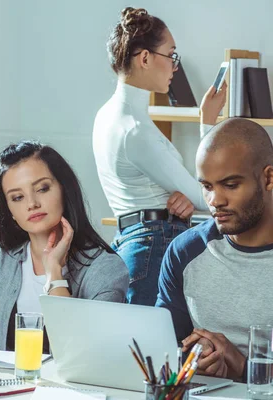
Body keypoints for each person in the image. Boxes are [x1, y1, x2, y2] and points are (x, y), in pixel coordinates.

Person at [0, 141, 129, 358]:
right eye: (17, 197)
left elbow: (82, 355)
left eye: (42, 188)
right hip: (2, 390)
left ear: (65, 189)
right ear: (10, 210)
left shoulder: (106, 269)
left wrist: (54, 273)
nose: (32, 203)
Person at [92, 7, 227, 305]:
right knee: (148, 347)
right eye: (171, 55)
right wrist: (207, 124)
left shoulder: (108, 115)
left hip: (134, 241)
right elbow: (207, 196)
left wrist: (185, 200)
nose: (174, 67)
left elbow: (192, 196)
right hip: (153, 245)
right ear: (145, 58)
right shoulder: (135, 130)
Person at [156, 118, 273, 381]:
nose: (215, 201)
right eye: (207, 187)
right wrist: (198, 356)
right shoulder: (185, 252)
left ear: (268, 177)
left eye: (230, 185)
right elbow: (165, 348)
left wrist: (243, 367)